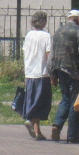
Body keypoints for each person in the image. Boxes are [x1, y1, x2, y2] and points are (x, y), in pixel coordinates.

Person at [49, 9, 79, 143]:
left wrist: (52, 74)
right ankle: (73, 136)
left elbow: (51, 55)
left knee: (65, 99)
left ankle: (57, 125)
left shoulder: (57, 32)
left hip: (60, 70)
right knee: (76, 103)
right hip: (76, 72)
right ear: (78, 19)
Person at [21, 10, 52, 140]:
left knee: (32, 99)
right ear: (43, 22)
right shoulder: (46, 36)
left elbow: (25, 52)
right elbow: (48, 55)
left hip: (30, 73)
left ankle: (37, 132)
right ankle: (30, 118)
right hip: (42, 73)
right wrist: (52, 72)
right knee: (41, 101)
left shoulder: (28, 35)